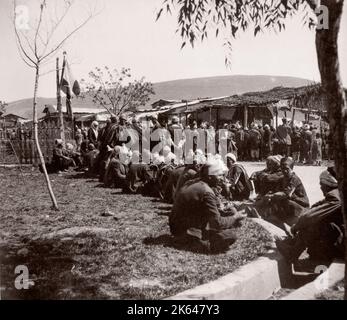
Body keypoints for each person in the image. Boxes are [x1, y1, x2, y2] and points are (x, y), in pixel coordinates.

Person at [169, 160, 246, 253]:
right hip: (186, 231)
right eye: (220, 175)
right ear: (210, 177)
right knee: (231, 236)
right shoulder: (207, 191)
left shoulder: (191, 182)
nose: (223, 178)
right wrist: (235, 217)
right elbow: (217, 223)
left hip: (175, 227)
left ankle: (188, 239)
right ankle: (195, 243)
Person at [276, 168, 344, 263]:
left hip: (342, 242)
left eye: (322, 184)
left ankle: (292, 252)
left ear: (328, 184)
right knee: (316, 220)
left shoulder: (335, 197)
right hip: (341, 236)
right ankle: (298, 246)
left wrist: (296, 227)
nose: (321, 188)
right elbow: (316, 206)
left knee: (315, 223)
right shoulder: (337, 193)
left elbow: (310, 216)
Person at [259, 157, 309, 228]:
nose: (284, 171)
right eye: (282, 168)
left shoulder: (294, 179)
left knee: (282, 200)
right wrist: (269, 194)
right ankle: (269, 215)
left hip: (301, 205)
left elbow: (286, 194)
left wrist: (272, 195)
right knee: (273, 199)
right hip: (292, 203)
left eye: (286, 169)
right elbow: (276, 190)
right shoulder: (283, 178)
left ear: (291, 168)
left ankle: (287, 220)